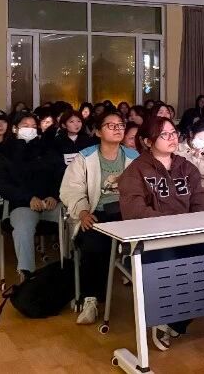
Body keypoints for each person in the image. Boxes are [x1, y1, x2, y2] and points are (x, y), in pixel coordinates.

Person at [118, 115, 204, 348]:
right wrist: (169, 226)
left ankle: (176, 320)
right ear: (148, 141)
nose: (172, 138)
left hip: (188, 235)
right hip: (153, 240)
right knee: (170, 262)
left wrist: (192, 226)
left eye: (174, 133)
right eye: (164, 134)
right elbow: (135, 211)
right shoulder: (136, 171)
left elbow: (201, 203)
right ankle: (166, 317)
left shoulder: (186, 167)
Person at [60, 111, 139, 325]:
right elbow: (71, 189)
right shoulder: (85, 158)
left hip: (127, 214)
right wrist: (83, 212)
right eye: (110, 125)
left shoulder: (133, 157)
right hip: (97, 212)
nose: (117, 129)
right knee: (92, 241)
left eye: (120, 125)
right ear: (97, 131)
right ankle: (91, 299)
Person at [0, 113, 65, 279]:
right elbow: (4, 185)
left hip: (51, 203)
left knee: (73, 217)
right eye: (25, 126)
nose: (30, 129)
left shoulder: (46, 149)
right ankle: (27, 274)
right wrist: (29, 198)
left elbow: (60, 174)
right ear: (15, 128)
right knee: (23, 228)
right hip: (22, 204)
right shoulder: (4, 153)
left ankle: (72, 264)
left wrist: (54, 195)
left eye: (34, 126)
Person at [175, 120, 204, 204]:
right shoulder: (178, 150)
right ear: (191, 134)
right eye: (200, 139)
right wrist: (193, 158)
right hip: (185, 194)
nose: (202, 143)